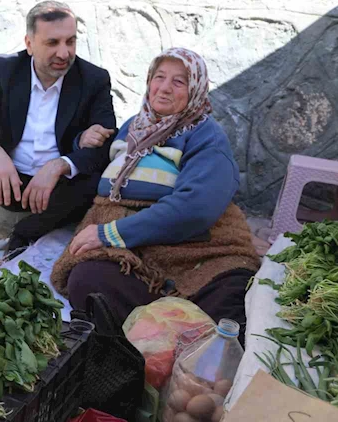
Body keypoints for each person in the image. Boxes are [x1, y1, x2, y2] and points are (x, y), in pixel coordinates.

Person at [51, 47, 260, 338]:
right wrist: (79, 142)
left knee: (228, 297)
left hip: (190, 247)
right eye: (159, 77)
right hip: (133, 252)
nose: (164, 88)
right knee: (88, 280)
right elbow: (98, 164)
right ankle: (157, 334)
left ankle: (169, 335)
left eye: (179, 81)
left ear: (196, 89)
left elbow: (196, 208)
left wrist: (109, 233)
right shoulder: (133, 127)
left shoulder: (205, 136)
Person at [0, 1, 117, 281]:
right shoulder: (5, 70)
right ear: (29, 44)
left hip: (57, 191)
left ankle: (26, 234)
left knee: (98, 179)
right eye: (52, 43)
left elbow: (107, 144)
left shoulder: (93, 79)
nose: (64, 53)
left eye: (70, 41)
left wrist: (59, 165)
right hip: (7, 183)